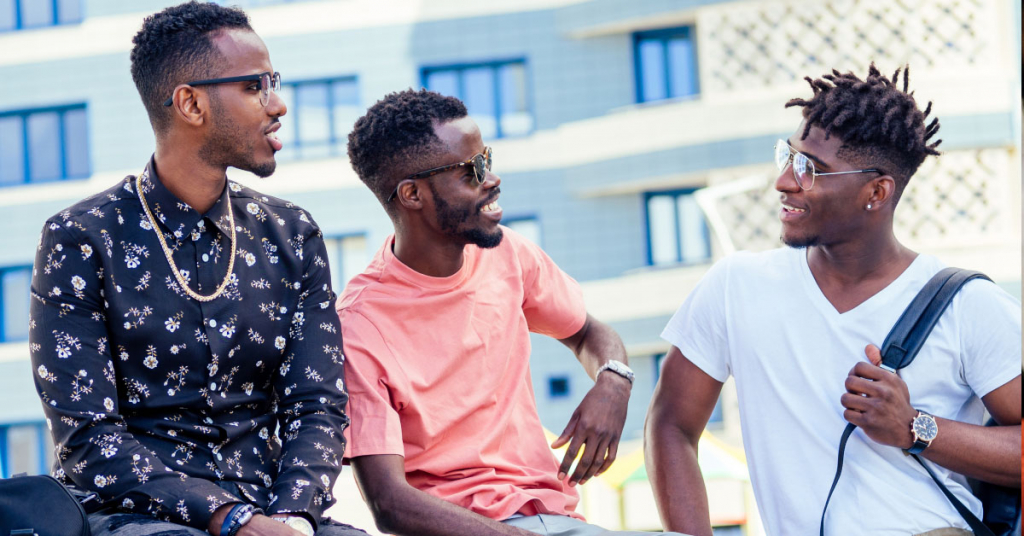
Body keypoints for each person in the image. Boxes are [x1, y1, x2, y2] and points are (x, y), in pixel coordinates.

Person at [28, 3, 367, 536]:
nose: (278, 105)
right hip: (138, 518)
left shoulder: (293, 234)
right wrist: (232, 520)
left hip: (278, 514)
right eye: (255, 86)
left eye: (273, 82)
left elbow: (317, 406)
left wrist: (293, 516)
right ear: (190, 103)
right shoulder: (81, 238)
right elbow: (88, 435)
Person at [645, 63, 1022, 536]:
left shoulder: (968, 306)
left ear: (877, 192)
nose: (785, 181)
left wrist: (913, 427)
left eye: (812, 170)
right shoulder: (735, 286)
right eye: (788, 156)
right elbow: (671, 426)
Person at [339, 89, 687, 536]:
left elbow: (586, 334)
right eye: (471, 170)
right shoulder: (358, 326)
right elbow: (389, 504)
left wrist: (614, 381)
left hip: (555, 518)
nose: (492, 178)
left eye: (487, 158)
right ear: (412, 194)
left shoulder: (506, 253)